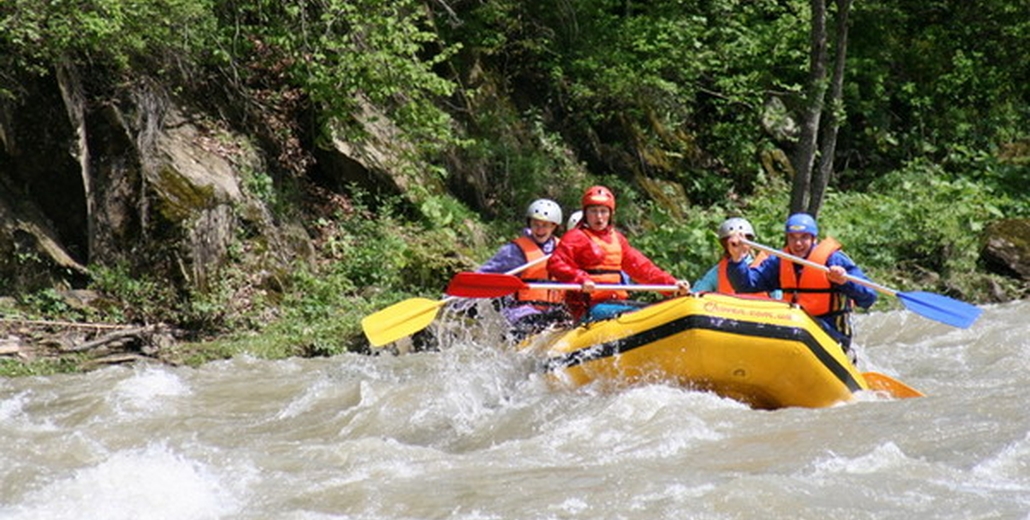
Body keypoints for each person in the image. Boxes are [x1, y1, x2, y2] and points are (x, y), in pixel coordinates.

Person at [724, 212, 877, 361]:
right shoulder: (779, 262)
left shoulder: (834, 260)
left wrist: (845, 282)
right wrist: (737, 259)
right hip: (795, 328)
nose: (798, 244)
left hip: (832, 334)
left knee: (797, 329)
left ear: (814, 238)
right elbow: (746, 285)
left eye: (804, 238)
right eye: (792, 238)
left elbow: (869, 297)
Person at [548, 185, 691, 321]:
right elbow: (556, 263)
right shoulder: (576, 236)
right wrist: (581, 279)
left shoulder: (618, 239)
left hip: (615, 302)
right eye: (593, 211)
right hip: (589, 307)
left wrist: (672, 285)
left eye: (603, 211)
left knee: (652, 312)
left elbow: (643, 269)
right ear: (585, 214)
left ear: (611, 214)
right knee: (636, 315)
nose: (599, 217)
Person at [476, 198, 570, 340]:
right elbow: (484, 275)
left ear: (554, 227)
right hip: (523, 311)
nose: (540, 229)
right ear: (529, 224)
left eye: (545, 225)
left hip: (555, 310)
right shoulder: (514, 252)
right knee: (534, 324)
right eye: (535, 224)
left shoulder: (564, 249)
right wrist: (457, 299)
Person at [693, 217, 781, 299]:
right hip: (729, 314)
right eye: (733, 243)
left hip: (761, 314)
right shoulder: (717, 271)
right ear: (726, 245)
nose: (739, 245)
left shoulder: (765, 267)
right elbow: (697, 292)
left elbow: (778, 298)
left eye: (743, 240)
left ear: (750, 242)